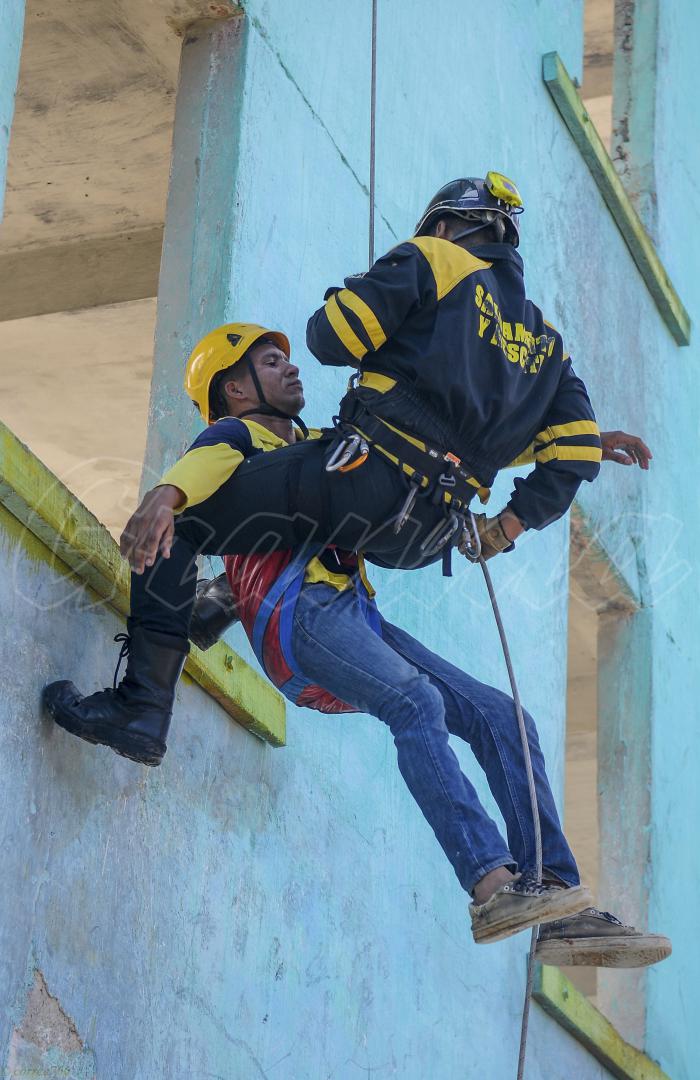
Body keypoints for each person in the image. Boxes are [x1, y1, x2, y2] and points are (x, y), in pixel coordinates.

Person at [44, 320, 668, 964]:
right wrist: (165, 497)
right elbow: (202, 463)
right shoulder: (240, 438)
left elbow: (416, 450)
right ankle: (491, 884)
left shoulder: (321, 446)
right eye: (270, 361)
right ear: (233, 389)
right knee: (416, 702)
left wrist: (574, 444)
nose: (290, 368)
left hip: (353, 616)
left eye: (288, 358)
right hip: (302, 618)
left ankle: (556, 902)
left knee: (503, 717)